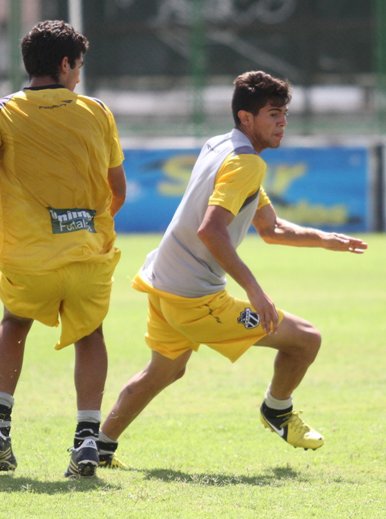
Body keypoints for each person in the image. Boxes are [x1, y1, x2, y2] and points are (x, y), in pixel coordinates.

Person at [96, 71, 367, 468]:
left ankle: (98, 447)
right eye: (273, 114)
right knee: (306, 339)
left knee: (164, 371)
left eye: (285, 113)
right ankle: (277, 410)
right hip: (193, 296)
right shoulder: (247, 164)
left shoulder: (219, 145)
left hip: (163, 280)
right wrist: (256, 291)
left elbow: (271, 228)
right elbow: (211, 230)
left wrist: (324, 238)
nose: (283, 122)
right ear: (246, 117)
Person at [0, 20, 127, 479]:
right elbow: (118, 190)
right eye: (78, 66)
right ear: (65, 63)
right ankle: (88, 438)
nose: (79, 75)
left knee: (14, 323)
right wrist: (84, 224)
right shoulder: (97, 112)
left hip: (27, 258)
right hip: (86, 254)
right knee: (91, 335)